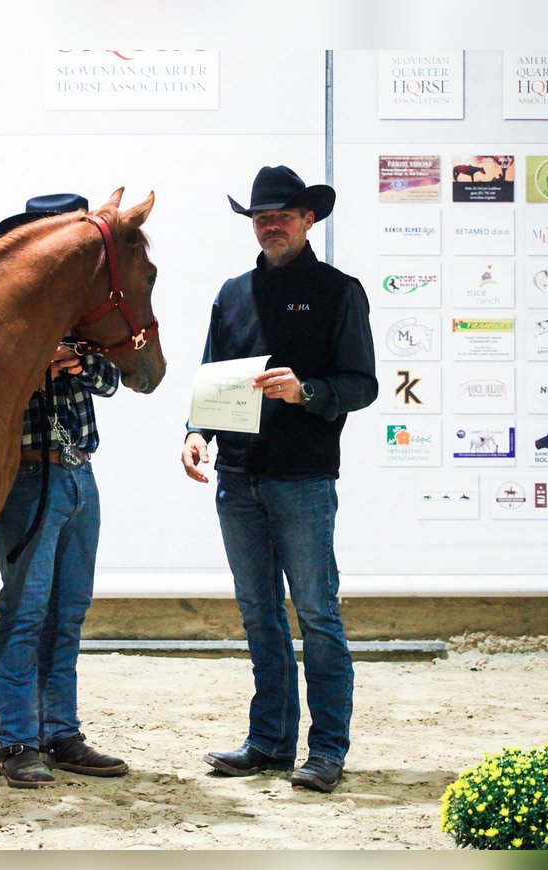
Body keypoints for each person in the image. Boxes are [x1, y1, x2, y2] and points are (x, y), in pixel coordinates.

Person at [181, 166, 378, 793]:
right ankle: (269, 742)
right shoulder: (232, 292)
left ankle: (326, 751)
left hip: (304, 478)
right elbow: (213, 373)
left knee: (317, 614)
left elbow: (362, 385)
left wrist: (307, 391)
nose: (270, 225)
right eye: (261, 217)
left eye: (282, 216)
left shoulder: (338, 291)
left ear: (307, 220)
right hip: (237, 479)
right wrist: (194, 432)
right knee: (260, 615)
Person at [0, 193, 130, 789]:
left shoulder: (79, 321)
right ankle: (17, 739)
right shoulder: (1, 319)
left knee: (67, 611)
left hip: (78, 472)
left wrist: (74, 359)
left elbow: (111, 379)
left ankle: (60, 733)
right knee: (25, 611)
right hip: (28, 473)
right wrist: (30, 362)